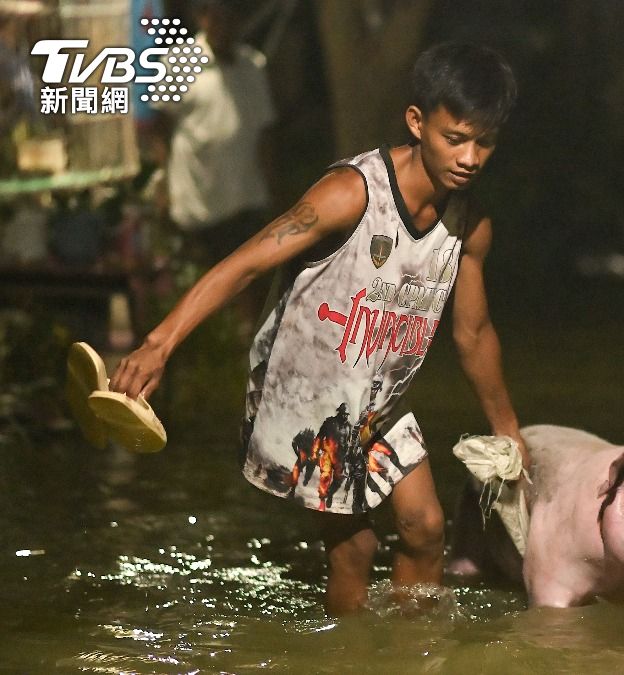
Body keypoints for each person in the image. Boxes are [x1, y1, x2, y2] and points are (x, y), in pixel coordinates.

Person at [108, 42, 527, 616]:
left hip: (377, 401)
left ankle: (410, 652)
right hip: (304, 396)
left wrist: (510, 433)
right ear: (416, 122)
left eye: (485, 142)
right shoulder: (351, 193)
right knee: (355, 549)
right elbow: (248, 261)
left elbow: (473, 335)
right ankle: (349, 656)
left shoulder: (469, 224)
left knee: (427, 529)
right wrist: (159, 343)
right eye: (456, 138)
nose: (470, 157)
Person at [154, 0, 277, 269]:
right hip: (198, 199)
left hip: (245, 198)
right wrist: (162, 184)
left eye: (230, 16)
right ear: (203, 18)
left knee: (249, 279)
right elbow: (161, 127)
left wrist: (271, 188)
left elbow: (265, 132)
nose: (224, 25)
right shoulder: (179, 63)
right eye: (216, 16)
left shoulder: (252, 66)